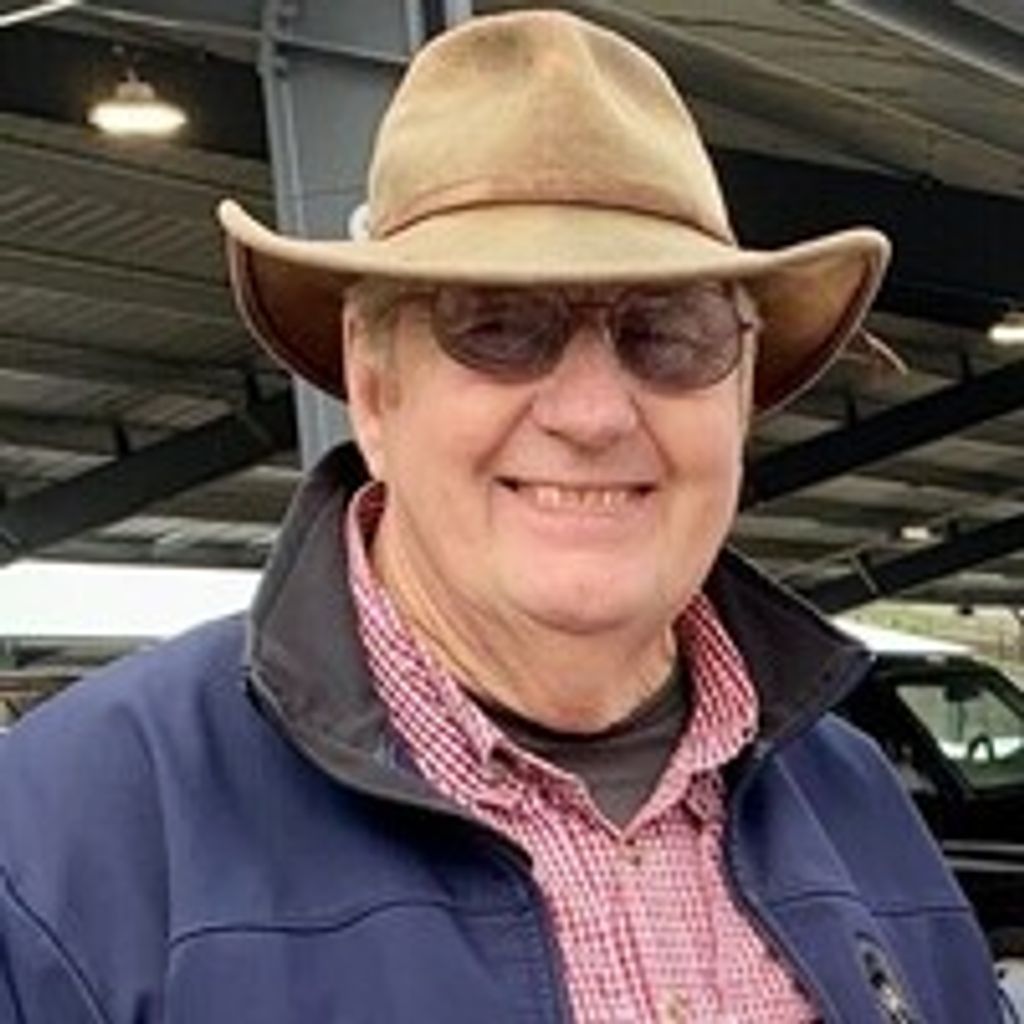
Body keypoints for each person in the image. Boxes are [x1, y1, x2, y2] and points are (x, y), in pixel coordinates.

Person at [0, 10, 1003, 1023]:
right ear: (374, 388)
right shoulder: (69, 838)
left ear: (740, 396)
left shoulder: (857, 802)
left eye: (670, 333)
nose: (593, 414)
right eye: (498, 326)